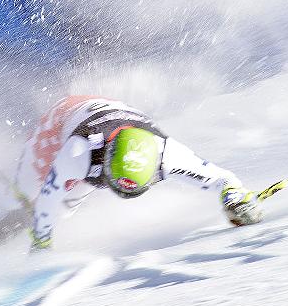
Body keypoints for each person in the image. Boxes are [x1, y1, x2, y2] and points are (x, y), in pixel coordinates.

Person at [14, 95, 263, 250]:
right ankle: (6, 202)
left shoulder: (168, 155)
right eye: (116, 186)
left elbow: (222, 179)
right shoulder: (78, 152)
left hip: (106, 113)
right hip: (63, 118)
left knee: (65, 206)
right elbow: (48, 197)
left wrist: (234, 199)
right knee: (32, 185)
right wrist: (41, 240)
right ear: (107, 161)